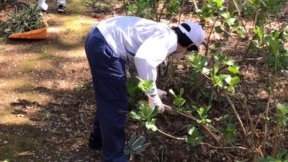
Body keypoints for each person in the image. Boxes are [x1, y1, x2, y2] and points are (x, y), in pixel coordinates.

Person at [85, 16, 206, 161]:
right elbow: (143, 59)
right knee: (115, 104)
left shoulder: (164, 32)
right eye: (189, 52)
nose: (185, 56)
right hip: (105, 45)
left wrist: (152, 90)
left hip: (99, 38)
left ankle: (98, 139)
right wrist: (153, 97)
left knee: (109, 97)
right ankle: (114, 158)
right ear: (189, 46)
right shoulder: (169, 41)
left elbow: (137, 61)